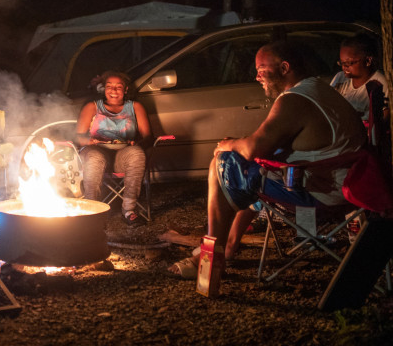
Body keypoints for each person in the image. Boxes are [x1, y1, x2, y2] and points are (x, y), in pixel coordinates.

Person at [168, 41, 366, 279]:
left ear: (284, 68)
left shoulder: (295, 100)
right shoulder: (316, 88)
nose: (257, 77)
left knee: (222, 163)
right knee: (248, 166)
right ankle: (226, 244)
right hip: (342, 182)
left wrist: (228, 144)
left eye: (262, 70)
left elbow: (253, 147)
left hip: (322, 191)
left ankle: (213, 255)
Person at [75, 70, 153, 225]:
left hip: (122, 155)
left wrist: (135, 144)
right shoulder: (92, 107)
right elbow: (78, 137)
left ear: (125, 90)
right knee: (95, 157)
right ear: (104, 89)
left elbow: (148, 137)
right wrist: (90, 142)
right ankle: (92, 210)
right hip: (96, 152)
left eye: (119, 87)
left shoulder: (135, 107)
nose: (114, 90)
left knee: (136, 153)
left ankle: (129, 210)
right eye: (110, 86)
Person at [330, 33, 389, 122]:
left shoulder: (379, 84)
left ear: (368, 61)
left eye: (349, 63)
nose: (344, 67)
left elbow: (381, 121)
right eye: (342, 63)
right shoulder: (340, 78)